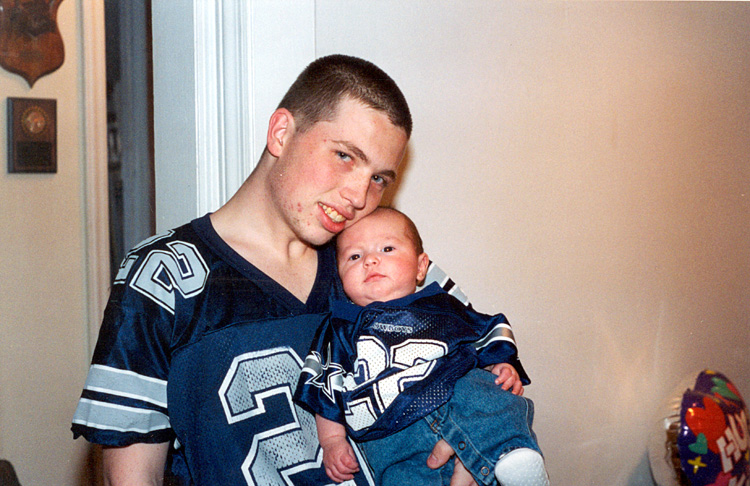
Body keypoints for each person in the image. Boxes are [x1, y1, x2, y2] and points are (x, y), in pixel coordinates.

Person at [71, 54, 486, 485]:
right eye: (345, 156)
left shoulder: (378, 263)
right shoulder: (166, 275)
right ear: (282, 132)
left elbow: (492, 369)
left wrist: (471, 444)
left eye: (380, 178)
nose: (360, 195)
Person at [294, 207, 549, 486]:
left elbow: (483, 332)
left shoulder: (443, 304)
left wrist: (499, 364)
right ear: (340, 279)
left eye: (387, 248)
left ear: (420, 267)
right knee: (401, 477)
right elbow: (325, 387)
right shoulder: (340, 327)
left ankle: (513, 457)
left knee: (491, 396)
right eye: (355, 256)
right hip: (390, 434)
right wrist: (332, 441)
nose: (371, 261)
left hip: (456, 395)